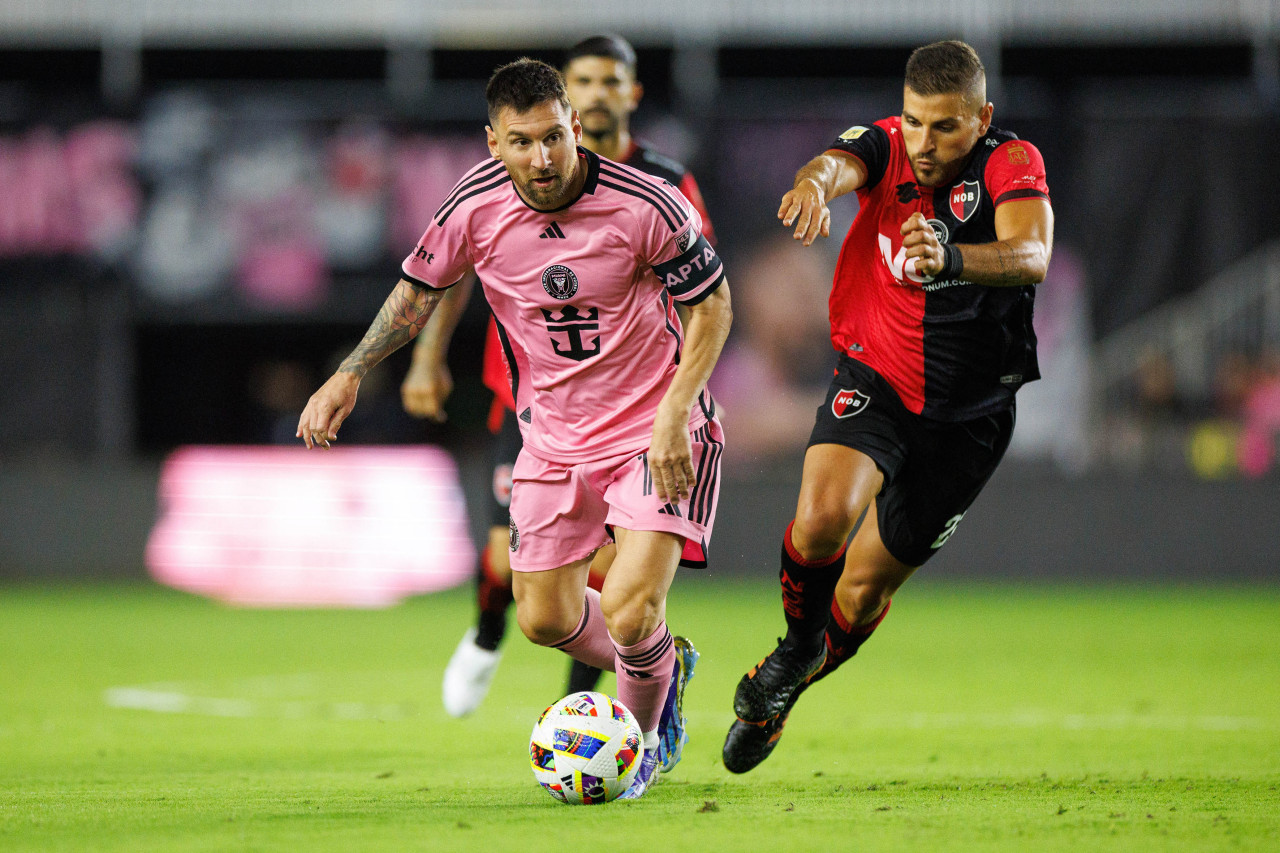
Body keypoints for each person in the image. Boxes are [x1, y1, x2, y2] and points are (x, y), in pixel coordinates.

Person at [299, 58, 732, 799]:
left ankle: (640, 748)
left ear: (573, 127)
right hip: (553, 440)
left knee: (629, 606)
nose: (543, 158)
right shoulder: (474, 206)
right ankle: (665, 663)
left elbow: (713, 307)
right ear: (494, 141)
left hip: (654, 429)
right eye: (524, 142)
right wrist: (352, 370)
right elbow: (417, 293)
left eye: (555, 138)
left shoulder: (646, 202)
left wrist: (674, 410)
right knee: (542, 615)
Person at [721, 40, 1053, 773]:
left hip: (970, 419)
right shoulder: (888, 144)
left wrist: (953, 257)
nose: (925, 144)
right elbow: (838, 163)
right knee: (819, 522)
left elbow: (1032, 255)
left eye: (944, 127)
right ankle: (797, 646)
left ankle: (785, 691)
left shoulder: (1010, 162)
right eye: (914, 122)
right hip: (876, 379)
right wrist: (814, 186)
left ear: (981, 119)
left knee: (864, 589)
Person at [400, 34, 718, 718]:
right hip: (529, 404)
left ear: (618, 100)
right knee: (512, 569)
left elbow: (702, 294)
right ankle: (489, 635)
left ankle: (608, 707)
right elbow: (444, 274)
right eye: (584, 80)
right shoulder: (492, 193)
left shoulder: (662, 185)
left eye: (609, 81)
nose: (596, 93)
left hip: (632, 407)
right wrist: (427, 356)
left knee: (624, 591)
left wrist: (677, 404)